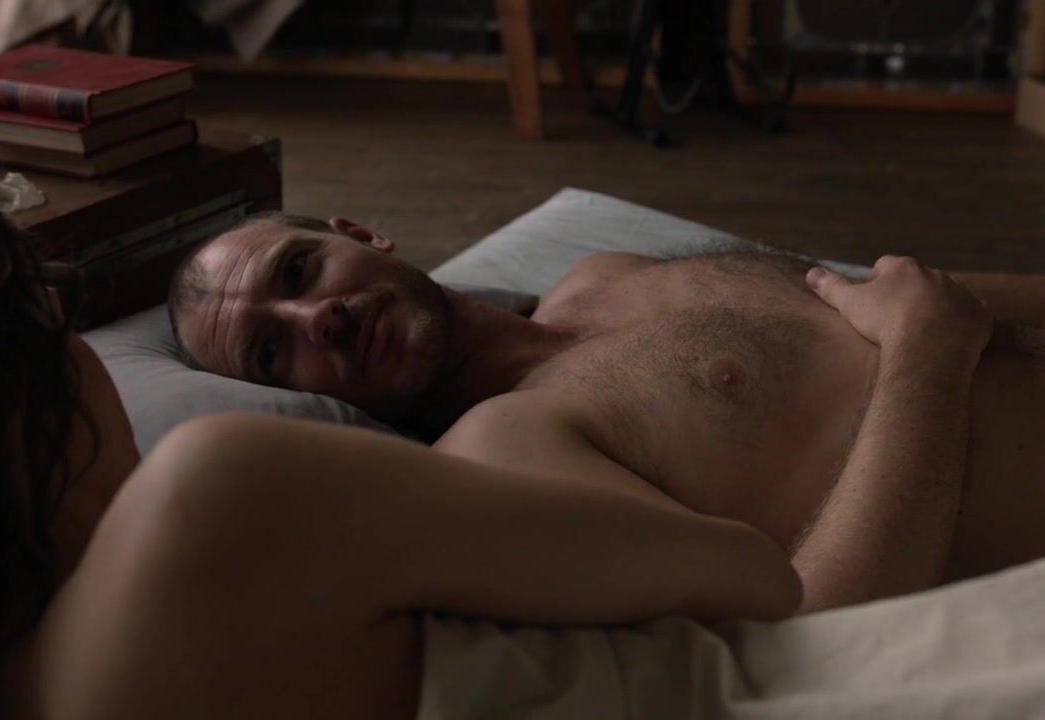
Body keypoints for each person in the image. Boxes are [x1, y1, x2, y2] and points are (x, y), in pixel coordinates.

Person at [0, 170, 799, 719]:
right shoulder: (210, 498)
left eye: (301, 272)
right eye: (57, 330)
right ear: (11, 397)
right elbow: (756, 577)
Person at [169, 212, 1045, 613]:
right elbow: (812, 623)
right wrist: (926, 356)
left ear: (359, 235)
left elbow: (913, 299)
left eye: (297, 272)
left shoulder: (605, 275)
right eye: (271, 352)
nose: (315, 317)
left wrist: (932, 326)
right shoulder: (506, 447)